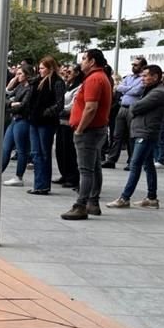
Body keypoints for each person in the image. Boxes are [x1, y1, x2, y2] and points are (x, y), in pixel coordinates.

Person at [107, 65, 164, 209]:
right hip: (143, 131)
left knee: (135, 164)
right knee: (148, 165)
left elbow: (134, 107)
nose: (143, 78)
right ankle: (152, 197)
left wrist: (133, 102)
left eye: (146, 75)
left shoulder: (158, 93)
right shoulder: (150, 91)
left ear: (155, 77)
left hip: (146, 133)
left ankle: (125, 197)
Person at [61, 49, 113, 220]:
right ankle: (92, 202)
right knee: (94, 167)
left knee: (86, 170)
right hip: (96, 129)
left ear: (92, 61)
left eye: (84, 59)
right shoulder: (100, 77)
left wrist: (80, 128)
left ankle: (81, 204)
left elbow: (91, 107)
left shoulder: (94, 79)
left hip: (89, 131)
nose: (81, 62)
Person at [26, 56, 66, 194]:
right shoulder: (37, 81)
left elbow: (59, 104)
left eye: (42, 68)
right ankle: (39, 184)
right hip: (35, 120)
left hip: (46, 122)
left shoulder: (57, 82)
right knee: (36, 153)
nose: (40, 70)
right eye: (39, 68)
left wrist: (45, 113)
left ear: (50, 68)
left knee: (44, 153)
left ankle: (43, 184)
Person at [103, 56, 147, 168]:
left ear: (142, 67)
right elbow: (118, 88)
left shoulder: (143, 79)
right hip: (122, 108)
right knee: (117, 135)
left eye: (136, 65)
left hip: (133, 109)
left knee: (131, 136)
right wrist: (128, 88)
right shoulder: (128, 77)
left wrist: (126, 89)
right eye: (133, 64)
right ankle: (111, 160)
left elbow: (137, 91)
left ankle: (131, 161)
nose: (133, 67)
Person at [0, 66, 33, 186]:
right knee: (6, 148)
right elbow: (5, 99)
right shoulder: (19, 86)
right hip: (15, 119)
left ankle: (19, 176)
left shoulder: (29, 89)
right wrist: (11, 103)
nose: (17, 76)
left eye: (20, 74)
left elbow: (23, 106)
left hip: (23, 120)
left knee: (21, 149)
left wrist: (12, 104)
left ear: (27, 75)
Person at [54, 64, 83, 189]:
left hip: (69, 122)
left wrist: (59, 110)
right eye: (65, 72)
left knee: (69, 151)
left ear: (77, 73)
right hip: (60, 122)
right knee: (60, 150)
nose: (66, 74)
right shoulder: (66, 85)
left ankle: (72, 177)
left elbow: (73, 105)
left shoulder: (79, 87)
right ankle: (64, 174)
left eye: (69, 72)